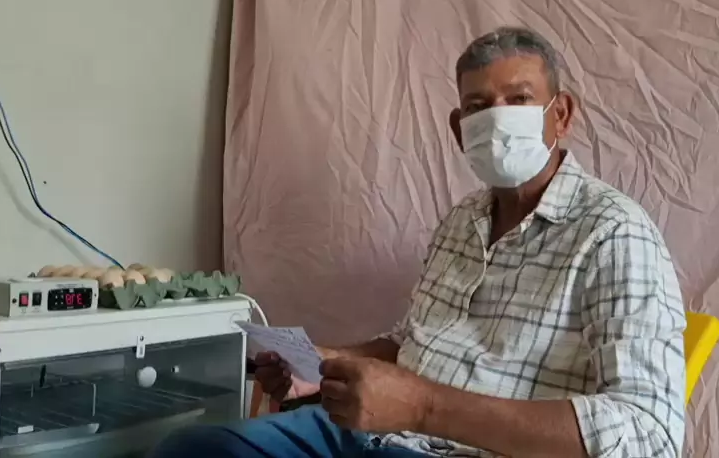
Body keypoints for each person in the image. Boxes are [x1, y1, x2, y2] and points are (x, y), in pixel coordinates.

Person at [150, 26, 686, 458]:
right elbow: (415, 341)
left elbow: (650, 435)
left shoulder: (614, 233)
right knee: (191, 449)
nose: (497, 119)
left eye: (518, 99)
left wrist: (422, 408)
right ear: (459, 128)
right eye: (478, 106)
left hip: (465, 450)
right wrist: (324, 365)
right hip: (369, 435)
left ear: (561, 115)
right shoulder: (462, 221)